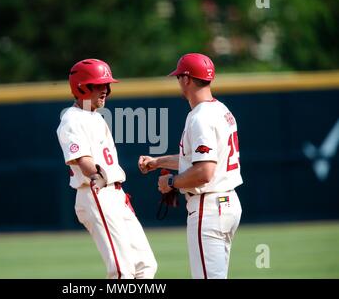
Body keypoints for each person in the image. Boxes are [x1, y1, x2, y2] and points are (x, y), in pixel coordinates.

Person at [138, 53, 243, 279]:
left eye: (178, 77)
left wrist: (171, 182)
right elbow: (198, 160)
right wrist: (158, 162)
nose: (178, 82)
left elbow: (204, 172)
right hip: (227, 203)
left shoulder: (200, 117)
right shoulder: (221, 110)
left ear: (186, 79)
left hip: (209, 206)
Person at [56, 58, 157, 279]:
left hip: (116, 195)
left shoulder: (94, 116)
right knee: (122, 271)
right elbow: (83, 160)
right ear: (81, 87)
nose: (106, 90)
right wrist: (97, 176)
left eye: (107, 85)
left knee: (146, 265)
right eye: (99, 85)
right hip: (97, 192)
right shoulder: (72, 120)